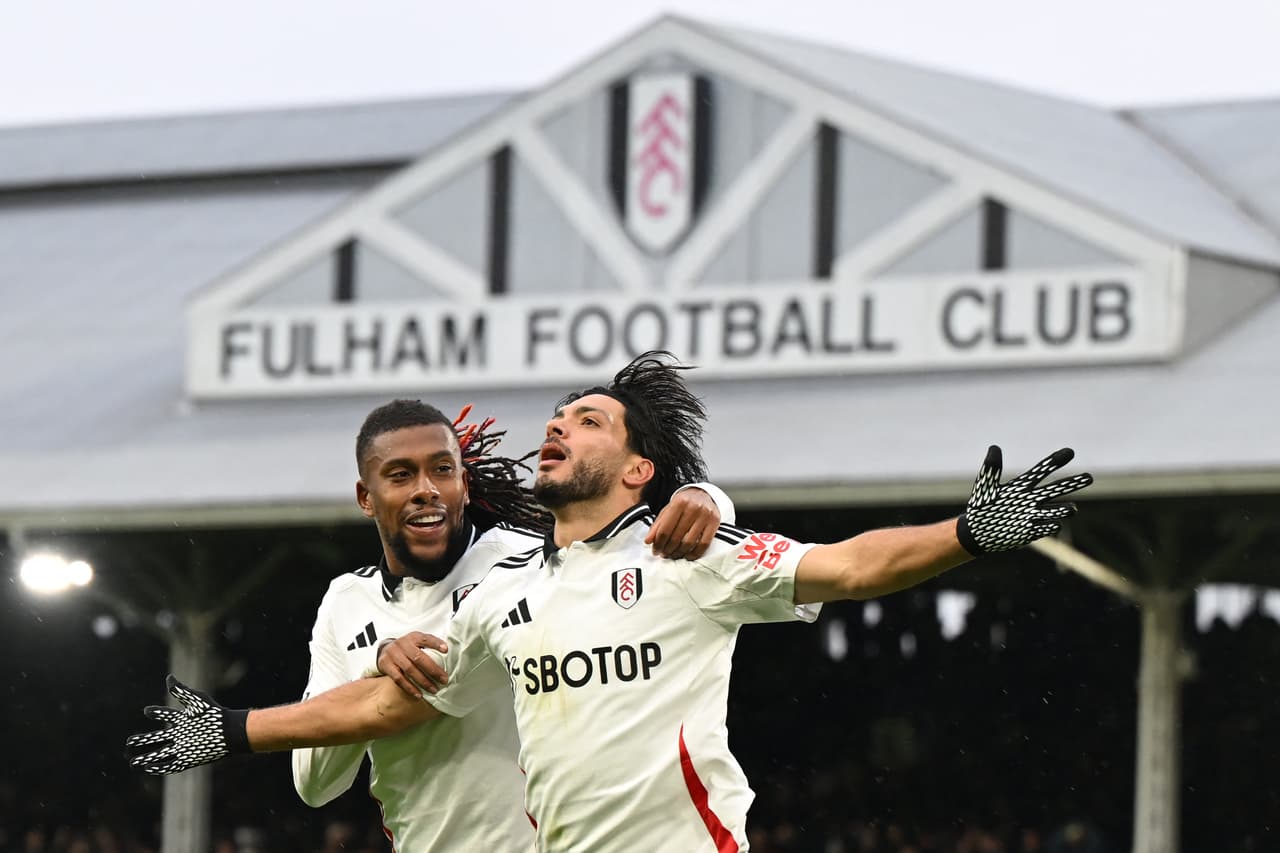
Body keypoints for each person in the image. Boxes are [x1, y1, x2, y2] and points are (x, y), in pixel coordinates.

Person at [129, 352, 1092, 852]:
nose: (557, 425)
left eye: (586, 419)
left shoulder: (690, 550)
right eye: (556, 416)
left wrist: (967, 532)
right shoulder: (505, 593)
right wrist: (232, 726)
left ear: (637, 467)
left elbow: (846, 564)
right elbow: (387, 706)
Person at [134, 397, 735, 852]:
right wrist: (373, 663)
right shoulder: (347, 603)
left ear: (463, 483)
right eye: (399, 476)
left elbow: (626, 537)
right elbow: (315, 785)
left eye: (442, 470)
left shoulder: (525, 560)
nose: (427, 491)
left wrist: (709, 495)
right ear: (366, 497)